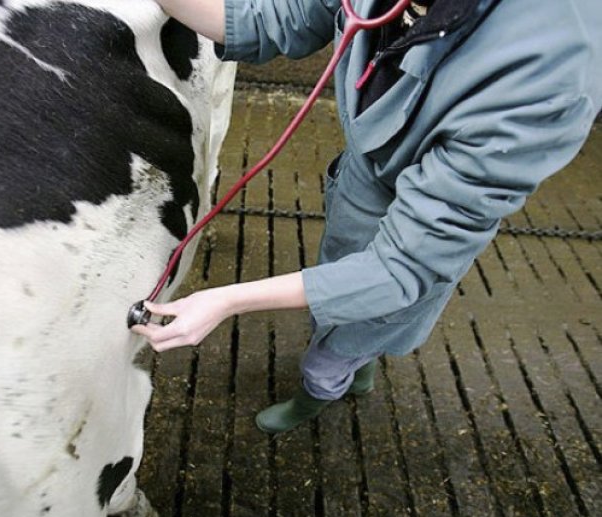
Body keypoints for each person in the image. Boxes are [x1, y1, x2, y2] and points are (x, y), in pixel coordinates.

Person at [132, 0, 602, 434]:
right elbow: (275, 18)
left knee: (342, 345)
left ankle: (318, 393)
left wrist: (227, 300)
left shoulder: (550, 71)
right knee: (336, 299)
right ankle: (357, 363)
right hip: (367, 177)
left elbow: (403, 267)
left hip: (424, 226)